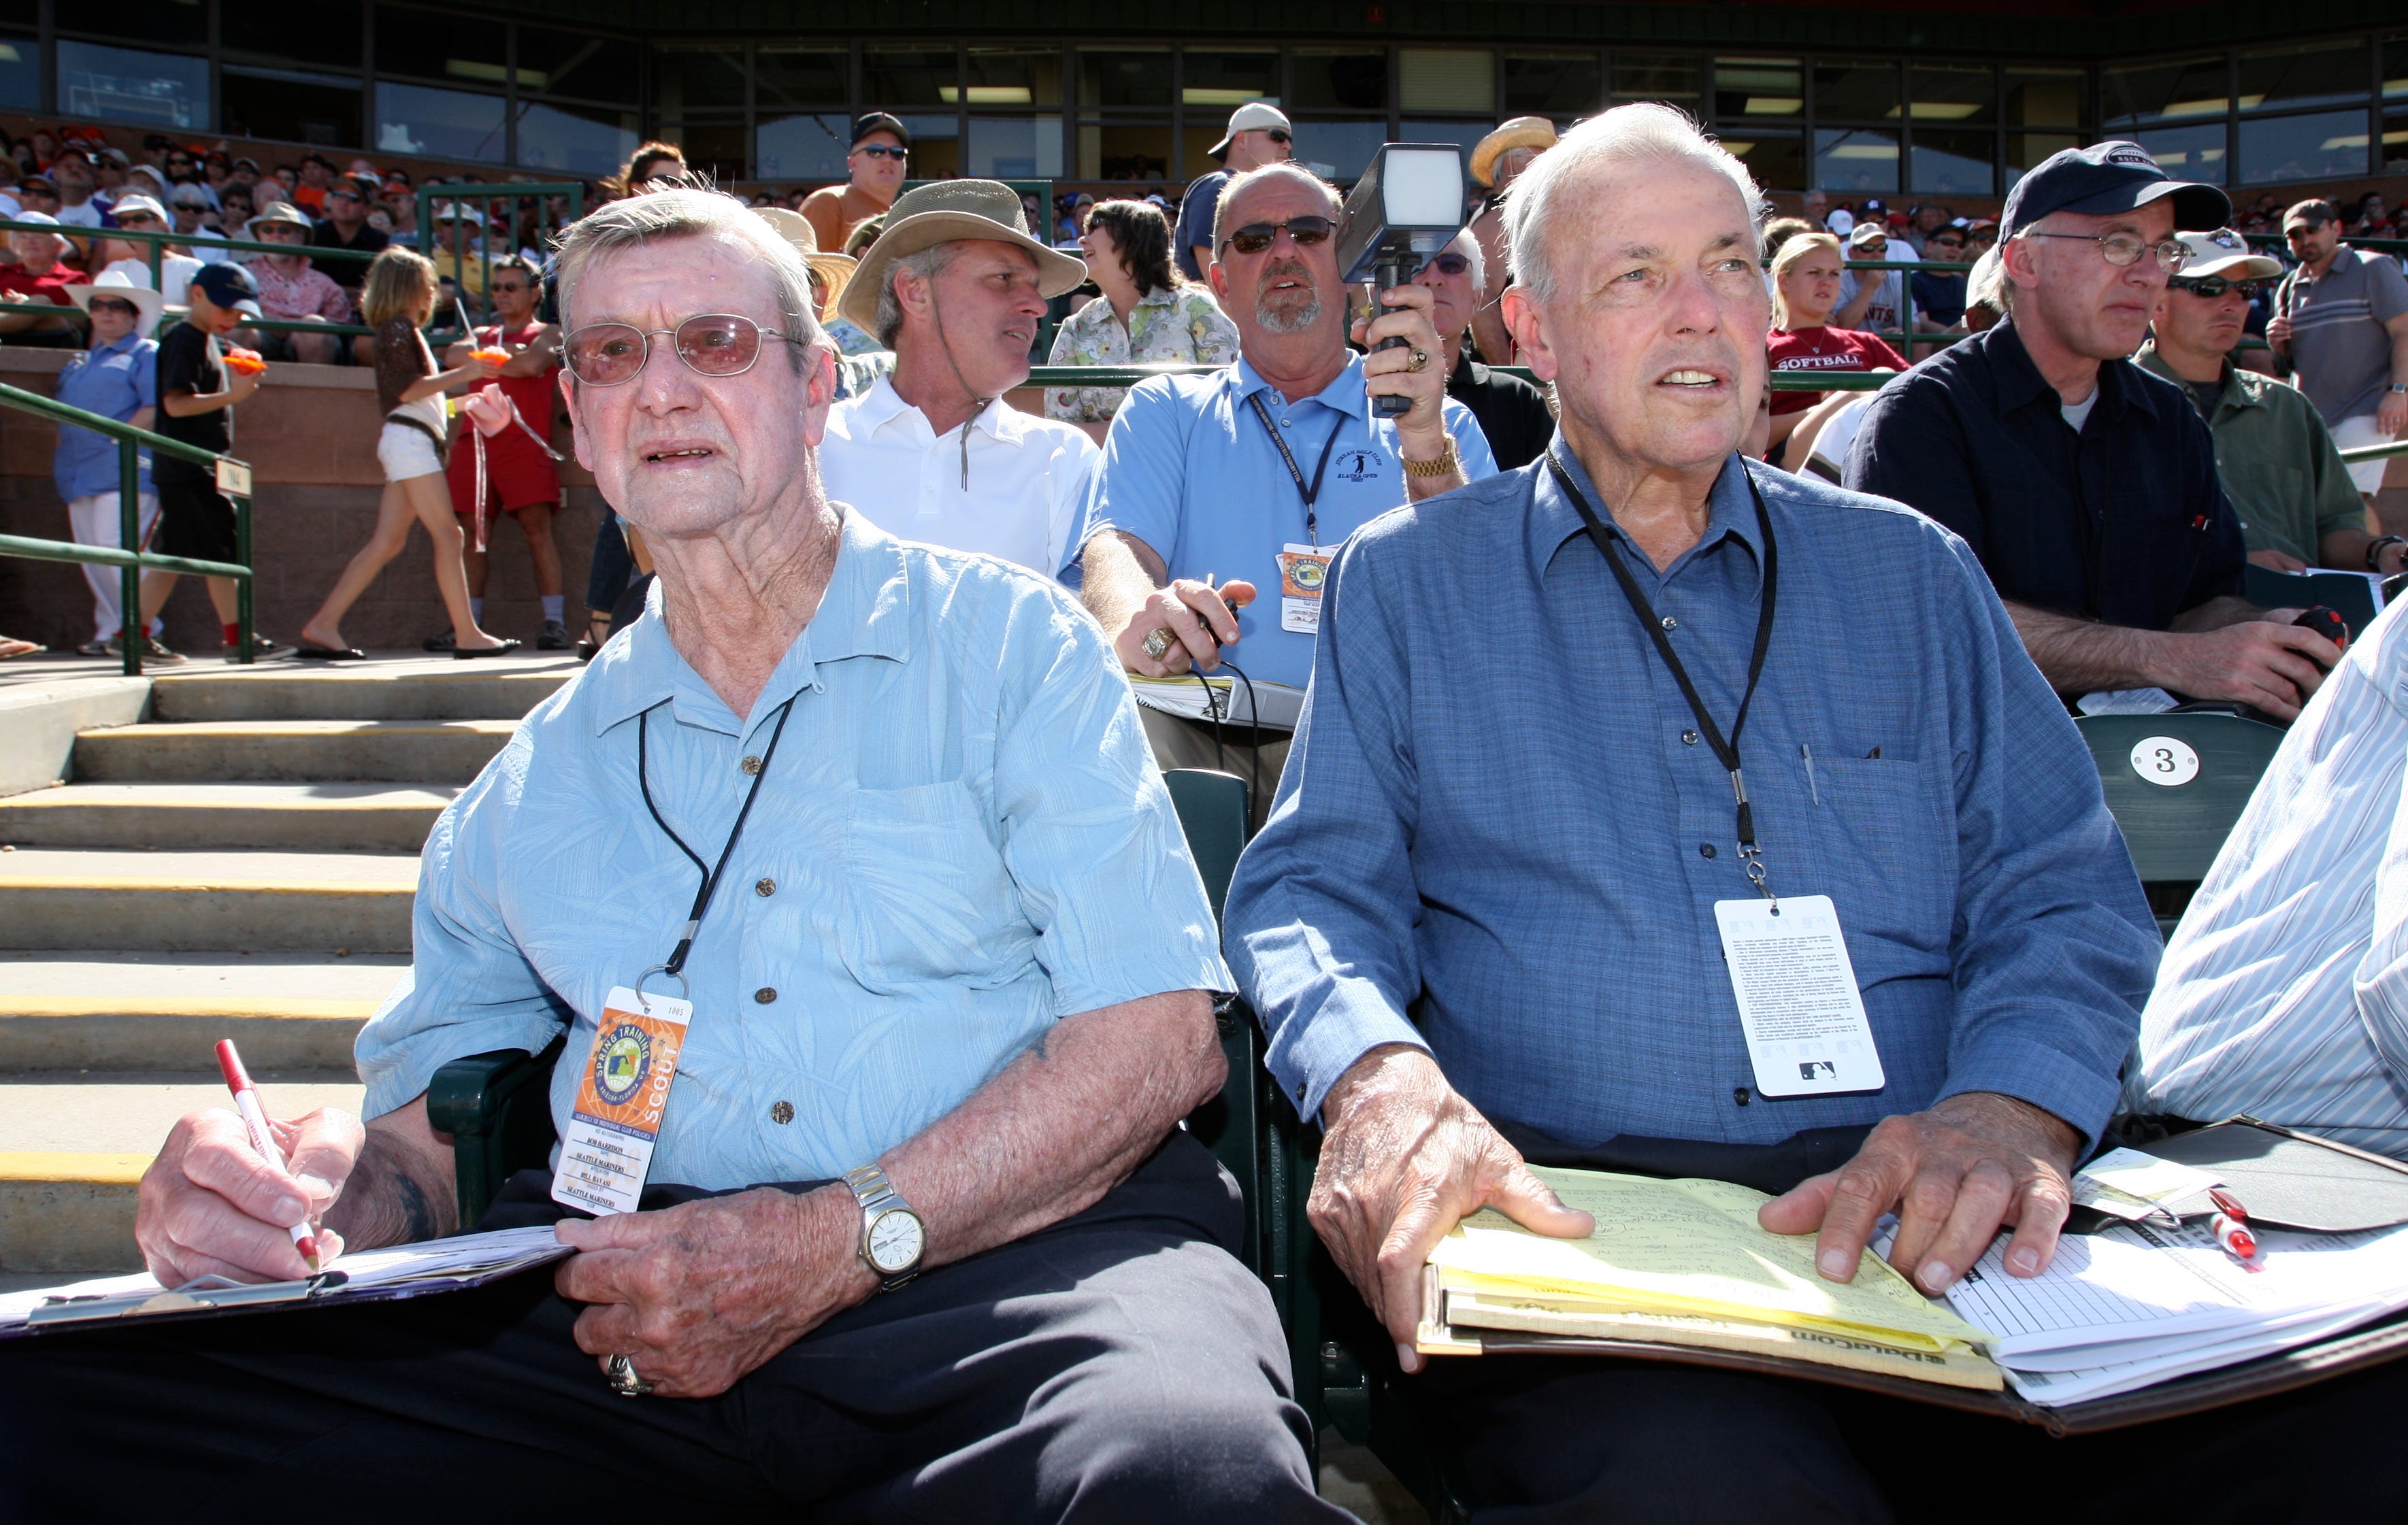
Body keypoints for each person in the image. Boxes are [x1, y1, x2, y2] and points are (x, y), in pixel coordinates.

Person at [0, 186, 1345, 1524]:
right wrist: (283, 1203)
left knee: (1184, 1474)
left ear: (816, 385)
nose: (660, 388)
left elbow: (1156, 1042)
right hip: (617, 1299)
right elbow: (414, 1153)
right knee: (56, 1406)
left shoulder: (1012, 648)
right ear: (576, 417)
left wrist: (832, 1239)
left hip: (1013, 1269)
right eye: (609, 353)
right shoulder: (532, 776)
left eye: (713, 342)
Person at [1223, 102, 2408, 1523]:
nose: (1702, 313)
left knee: (2351, 1427)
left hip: (1943, 1218)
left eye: (1726, 264)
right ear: (1529, 330)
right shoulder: (1408, 584)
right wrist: (1376, 1080)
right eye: (1635, 275)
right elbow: (1309, 901)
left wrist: (2009, 1104)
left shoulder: (1907, 573)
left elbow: (2057, 890)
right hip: (1604, 1244)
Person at [1847, 142, 2341, 723]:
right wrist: (2173, 659)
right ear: (2024, 262)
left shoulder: (2170, 418)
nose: (2148, 273)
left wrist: (2256, 638)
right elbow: (1929, 626)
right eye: (2119, 243)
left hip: (2164, 762)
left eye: (2163, 251)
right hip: (1985, 772)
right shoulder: (1923, 414)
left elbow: (2200, 602)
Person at [1079, 161, 1496, 807]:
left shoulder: (1439, 428)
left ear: (1351, 260)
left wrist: (1420, 439)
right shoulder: (1166, 409)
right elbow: (1117, 550)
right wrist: (1136, 617)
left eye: (1308, 232)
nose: (1283, 251)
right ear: (1218, 282)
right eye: (1253, 240)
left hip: (1385, 749)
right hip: (1202, 733)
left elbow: (1477, 597)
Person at [817, 181, 1098, 579]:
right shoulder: (812, 449)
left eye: (1035, 288)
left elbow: (1079, 630)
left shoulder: (1064, 457)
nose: (1037, 306)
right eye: (1003, 278)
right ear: (915, 293)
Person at [293, 248, 516, 661]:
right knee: (449, 536)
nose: (433, 292)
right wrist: (468, 373)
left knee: (387, 542)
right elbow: (408, 390)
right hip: (411, 443)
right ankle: (467, 634)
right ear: (409, 288)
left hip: (408, 439)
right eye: (427, 284)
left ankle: (323, 624)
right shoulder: (399, 329)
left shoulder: (399, 330)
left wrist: (460, 405)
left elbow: (413, 399)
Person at [2139, 228, 2377, 577]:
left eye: (2245, 290)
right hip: (2177, 621)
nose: (2233, 304)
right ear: (2156, 300)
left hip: (2303, 610)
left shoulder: (2287, 406)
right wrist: (2230, 562)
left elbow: (2336, 525)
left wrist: (2380, 552)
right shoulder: (2109, 405)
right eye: (2210, 288)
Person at [131, 263, 294, 663]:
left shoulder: (204, 340)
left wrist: (238, 367)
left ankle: (131, 634)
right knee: (220, 554)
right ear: (196, 295)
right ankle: (237, 640)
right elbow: (174, 404)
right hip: (192, 465)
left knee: (180, 554)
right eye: (226, 308)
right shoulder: (184, 339)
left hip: (201, 464)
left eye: (239, 312)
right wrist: (233, 396)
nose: (233, 318)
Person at [438, 253, 570, 650]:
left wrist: (488, 361)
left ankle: (554, 623)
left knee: (537, 532)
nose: (501, 295)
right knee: (473, 536)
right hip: (474, 444)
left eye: (511, 287)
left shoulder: (548, 331)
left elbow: (533, 364)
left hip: (525, 442)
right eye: (496, 288)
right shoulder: (479, 332)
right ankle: (466, 627)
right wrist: (496, 358)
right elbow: (452, 357)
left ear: (534, 293)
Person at [1045, 197, 1240, 445]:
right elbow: (1061, 429)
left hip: (1190, 472)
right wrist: (1147, 437)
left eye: (1094, 229)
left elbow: (1230, 402)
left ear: (1133, 239)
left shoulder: (1196, 309)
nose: (1083, 240)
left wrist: (1118, 436)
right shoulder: (1076, 327)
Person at [2270, 199, 2408, 501]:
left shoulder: (2374, 267)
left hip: (2368, 409)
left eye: (2312, 230)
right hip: (2311, 418)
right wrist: (2279, 345)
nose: (2304, 240)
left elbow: (2405, 332)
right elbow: (2293, 362)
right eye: (2294, 235)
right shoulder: (2288, 287)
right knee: (2316, 509)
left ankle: (2379, 551)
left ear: (2336, 228)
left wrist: (2399, 391)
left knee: (2349, 503)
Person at [55, 272, 163, 658]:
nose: (106, 313)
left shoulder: (145, 352)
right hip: (77, 471)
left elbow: (154, 407)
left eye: (116, 306)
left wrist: (119, 438)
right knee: (92, 553)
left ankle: (143, 629)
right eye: (98, 305)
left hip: (125, 468)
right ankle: (110, 631)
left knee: (116, 547)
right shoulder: (80, 360)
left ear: (134, 315)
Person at [1764, 231, 1906, 467]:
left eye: (1834, 274)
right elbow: (1749, 436)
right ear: (1784, 280)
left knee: (1883, 375)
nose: (1826, 282)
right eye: (1814, 273)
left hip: (1866, 449)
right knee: (1861, 389)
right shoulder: (1766, 346)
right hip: (1794, 459)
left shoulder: (1865, 341)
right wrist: (1834, 408)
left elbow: (1917, 393)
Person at [1419, 228, 1551, 470]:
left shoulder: (1517, 402)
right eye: (1417, 263)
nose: (1433, 277)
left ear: (1476, 298)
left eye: (1451, 264)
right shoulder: (1349, 390)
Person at [1465, 116, 1558, 367]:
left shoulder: (1522, 216)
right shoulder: (1498, 218)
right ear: (1510, 164)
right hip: (1520, 374)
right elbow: (1481, 305)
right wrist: (1510, 376)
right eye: (1539, 156)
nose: (1549, 167)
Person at [1174, 101, 1293, 283]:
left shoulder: (1253, 192)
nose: (1286, 146)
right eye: (1277, 136)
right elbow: (1214, 277)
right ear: (1242, 139)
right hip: (1212, 309)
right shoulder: (1216, 187)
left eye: (1289, 139)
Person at [237, 204, 350, 365]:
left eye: (284, 230)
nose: (275, 236)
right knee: (241, 325)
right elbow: (227, 314)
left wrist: (299, 325)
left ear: (300, 237)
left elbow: (343, 326)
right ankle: (241, 387)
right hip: (260, 337)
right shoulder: (243, 275)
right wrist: (261, 319)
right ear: (260, 237)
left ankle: (313, 390)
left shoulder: (323, 282)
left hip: (308, 343)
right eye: (268, 230)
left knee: (314, 328)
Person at [801, 114, 909, 256]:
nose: (888, 159)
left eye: (897, 153)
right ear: (852, 162)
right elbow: (814, 273)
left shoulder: (907, 213)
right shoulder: (828, 203)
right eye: (876, 152)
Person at [93, 193, 203, 299]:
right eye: (124, 221)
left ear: (162, 224)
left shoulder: (191, 268)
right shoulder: (115, 269)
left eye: (140, 218)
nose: (131, 225)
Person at [0, 212, 82, 344]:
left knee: (42, 302)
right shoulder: (3, 271)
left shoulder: (75, 278)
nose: (30, 241)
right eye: (23, 236)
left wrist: (26, 306)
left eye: (39, 236)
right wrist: (9, 306)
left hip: (54, 338)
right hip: (7, 336)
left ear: (58, 245)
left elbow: (80, 322)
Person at [1907, 220, 1969, 358]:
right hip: (1934, 344)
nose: (1955, 249)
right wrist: (1957, 333)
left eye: (1960, 245)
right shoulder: (1914, 280)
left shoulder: (1964, 283)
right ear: (1930, 246)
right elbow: (1922, 323)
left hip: (1966, 339)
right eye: (1948, 242)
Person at [1830, 220, 1901, 335]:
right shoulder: (1840, 279)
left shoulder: (1896, 280)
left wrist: (1901, 332)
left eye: (1882, 248)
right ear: (1851, 254)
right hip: (1850, 346)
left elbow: (1913, 325)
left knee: (1921, 343)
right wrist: (1869, 287)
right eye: (1868, 248)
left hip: (1886, 346)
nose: (1877, 253)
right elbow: (1843, 326)